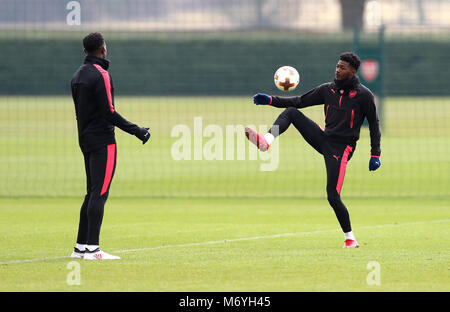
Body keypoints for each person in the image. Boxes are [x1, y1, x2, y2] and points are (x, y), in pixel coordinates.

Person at [245, 52, 381, 248]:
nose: (337, 69)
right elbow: (298, 101)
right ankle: (266, 141)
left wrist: (375, 154)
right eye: (337, 66)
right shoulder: (328, 90)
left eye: (342, 67)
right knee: (291, 113)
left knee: (332, 196)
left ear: (352, 71)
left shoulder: (364, 96)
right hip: (324, 139)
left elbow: (374, 126)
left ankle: (350, 238)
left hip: (342, 149)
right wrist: (270, 100)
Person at [70, 32, 151, 260]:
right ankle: (93, 250)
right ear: (103, 50)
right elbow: (109, 112)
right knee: (100, 192)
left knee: (91, 193)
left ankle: (80, 247)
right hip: (103, 142)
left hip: (85, 139)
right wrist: (137, 130)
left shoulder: (78, 75)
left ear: (85, 51)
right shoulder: (101, 75)